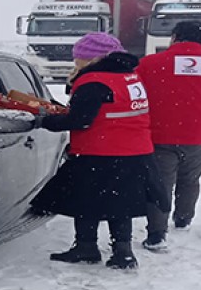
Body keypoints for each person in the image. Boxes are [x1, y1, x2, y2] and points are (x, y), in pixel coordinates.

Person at [29, 32, 160, 271]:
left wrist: (44, 121)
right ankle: (123, 252)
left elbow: (81, 120)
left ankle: (86, 247)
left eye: (78, 58)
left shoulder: (94, 82)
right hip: (134, 150)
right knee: (120, 204)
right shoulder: (129, 76)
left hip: (100, 151)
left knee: (85, 201)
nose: (75, 61)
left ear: (90, 59)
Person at [136, 20, 201, 250]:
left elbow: (138, 96)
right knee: (190, 179)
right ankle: (183, 218)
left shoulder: (150, 63)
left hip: (160, 135)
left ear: (174, 37)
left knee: (160, 184)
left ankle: (157, 234)